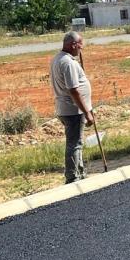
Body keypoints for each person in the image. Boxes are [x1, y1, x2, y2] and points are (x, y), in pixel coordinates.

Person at [50, 31, 94, 183]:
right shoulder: (68, 63)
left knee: (77, 142)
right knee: (74, 144)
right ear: (73, 45)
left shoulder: (58, 58)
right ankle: (72, 176)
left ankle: (80, 172)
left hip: (67, 108)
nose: (81, 48)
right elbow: (73, 90)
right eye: (80, 45)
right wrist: (87, 112)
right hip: (73, 110)